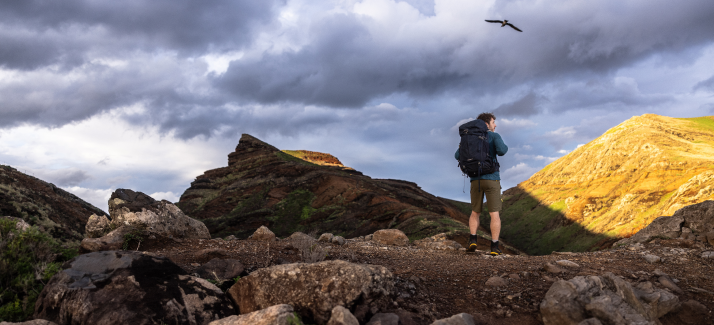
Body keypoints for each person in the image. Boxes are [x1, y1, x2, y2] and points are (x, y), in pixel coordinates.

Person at [454, 112, 508, 255]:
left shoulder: (469, 138)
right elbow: (502, 151)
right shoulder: (494, 136)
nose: (495, 125)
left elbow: (457, 155)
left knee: (475, 212)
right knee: (494, 214)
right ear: (487, 123)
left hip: (475, 179)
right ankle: (494, 247)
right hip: (492, 178)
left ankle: (472, 240)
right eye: (493, 122)